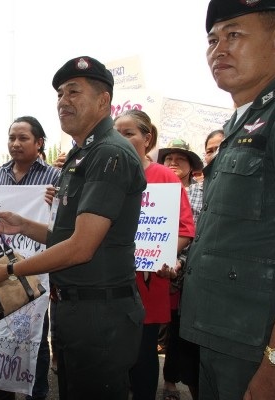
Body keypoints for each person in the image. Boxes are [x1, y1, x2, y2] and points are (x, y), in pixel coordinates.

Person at [0, 56, 146, 400]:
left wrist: (7, 269)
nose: (63, 101)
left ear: (103, 100)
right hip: (76, 310)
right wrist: (24, 225)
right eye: (60, 94)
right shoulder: (83, 154)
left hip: (100, 314)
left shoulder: (109, 153)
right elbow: (67, 237)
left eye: (73, 92)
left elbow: (81, 248)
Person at [180, 2, 275, 399]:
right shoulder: (244, 120)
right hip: (224, 335)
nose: (218, 49)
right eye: (212, 39)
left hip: (258, 345)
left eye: (234, 34)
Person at [0, 115, 60, 400]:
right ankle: (4, 388)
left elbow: (62, 225)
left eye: (23, 138)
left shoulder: (54, 178)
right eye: (12, 138)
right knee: (5, 326)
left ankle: (37, 390)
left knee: (37, 329)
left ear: (39, 143)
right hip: (5, 264)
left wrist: (57, 199)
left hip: (38, 266)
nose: (15, 144)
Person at [114, 110, 195, 400]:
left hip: (148, 283)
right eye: (116, 133)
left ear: (147, 139)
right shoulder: (107, 170)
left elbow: (185, 228)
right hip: (107, 280)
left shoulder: (164, 177)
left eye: (129, 133)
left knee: (143, 356)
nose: (120, 139)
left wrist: (162, 254)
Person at [156, 138, 204, 400]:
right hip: (158, 266)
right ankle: (168, 381)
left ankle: (178, 381)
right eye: (168, 159)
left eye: (180, 159)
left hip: (189, 268)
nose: (173, 163)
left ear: (190, 165)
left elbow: (197, 231)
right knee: (160, 326)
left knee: (181, 330)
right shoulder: (152, 187)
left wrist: (180, 259)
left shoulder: (202, 192)